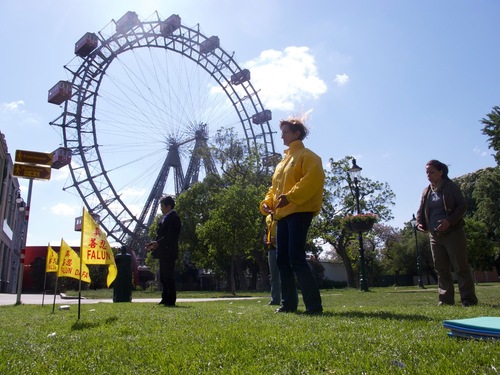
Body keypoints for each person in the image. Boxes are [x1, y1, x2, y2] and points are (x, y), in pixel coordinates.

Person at [260, 117, 325, 315]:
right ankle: (288, 304)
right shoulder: (282, 163)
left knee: (296, 257)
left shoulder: (309, 156)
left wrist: (291, 196)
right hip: (283, 215)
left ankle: (314, 306)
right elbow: (274, 188)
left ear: (296, 134)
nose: (282, 135)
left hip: (299, 211)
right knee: (282, 260)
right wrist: (266, 203)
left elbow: (312, 180)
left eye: (286, 132)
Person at [416, 160, 478, 307]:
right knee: (441, 269)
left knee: (460, 267)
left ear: (441, 172)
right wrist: (420, 223)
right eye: (427, 172)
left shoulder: (451, 187)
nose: (428, 175)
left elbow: (462, 206)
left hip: (453, 233)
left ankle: (468, 300)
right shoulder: (427, 191)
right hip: (434, 236)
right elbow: (421, 209)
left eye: (431, 172)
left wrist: (449, 221)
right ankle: (445, 300)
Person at [146, 196, 182, 306]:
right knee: (163, 276)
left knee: (168, 276)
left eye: (162, 206)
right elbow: (163, 236)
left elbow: (171, 236)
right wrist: (154, 244)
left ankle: (170, 299)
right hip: (164, 251)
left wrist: (158, 243)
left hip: (169, 252)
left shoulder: (174, 218)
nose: (161, 208)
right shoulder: (166, 218)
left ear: (168, 206)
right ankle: (165, 298)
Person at [264, 214, 281, 305]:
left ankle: (289, 300)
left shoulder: (281, 213)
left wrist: (278, 240)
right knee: (274, 276)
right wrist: (266, 240)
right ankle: (275, 300)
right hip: (272, 249)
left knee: (286, 275)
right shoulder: (268, 218)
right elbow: (267, 231)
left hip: (282, 248)